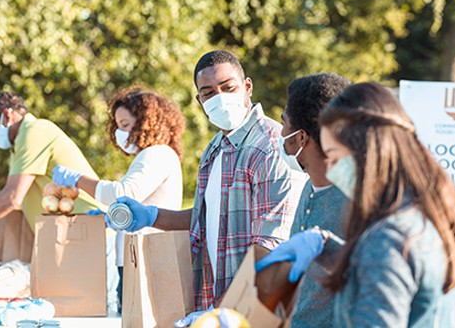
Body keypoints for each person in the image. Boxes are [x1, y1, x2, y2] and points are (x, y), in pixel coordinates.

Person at [257, 82, 455, 327]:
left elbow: (383, 263)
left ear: (367, 151)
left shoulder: (390, 237)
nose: (330, 169)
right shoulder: (418, 214)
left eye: (334, 157)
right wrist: (325, 246)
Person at [109, 50, 306, 325]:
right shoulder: (214, 150)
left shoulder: (270, 147)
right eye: (209, 92)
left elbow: (271, 248)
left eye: (228, 87)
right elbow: (208, 218)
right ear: (199, 100)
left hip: (254, 312)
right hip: (215, 305)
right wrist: (153, 216)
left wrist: (224, 312)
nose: (221, 98)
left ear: (247, 87)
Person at [52, 86, 185, 312]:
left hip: (148, 258)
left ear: (146, 122)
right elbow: (138, 202)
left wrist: (77, 179)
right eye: (118, 126)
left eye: (125, 125)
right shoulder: (152, 155)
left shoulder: (157, 154)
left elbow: (125, 192)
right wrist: (112, 217)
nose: (120, 133)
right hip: (137, 257)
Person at [279, 73, 350, 327]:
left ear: (301, 137)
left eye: (283, 123)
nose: (280, 133)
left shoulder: (358, 202)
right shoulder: (310, 186)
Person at [0, 92, 102, 230]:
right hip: (72, 230)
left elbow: (13, 197)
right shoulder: (17, 145)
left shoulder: (33, 131)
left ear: (7, 116)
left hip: (88, 228)